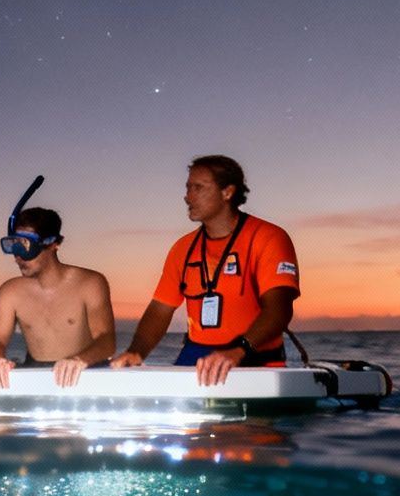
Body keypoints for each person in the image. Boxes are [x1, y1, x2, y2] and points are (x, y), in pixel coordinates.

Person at [113, 155, 300, 385]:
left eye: (198, 188)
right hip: (197, 354)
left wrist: (237, 351)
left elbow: (278, 310)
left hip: (253, 354)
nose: (187, 196)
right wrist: (137, 351)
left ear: (227, 192)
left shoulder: (269, 238)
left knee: (244, 422)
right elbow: (160, 310)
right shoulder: (182, 248)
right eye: (188, 188)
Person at [0, 205, 115, 389]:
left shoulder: (90, 283)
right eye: (15, 247)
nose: (18, 258)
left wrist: (79, 360)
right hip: (35, 370)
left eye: (26, 247)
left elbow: (106, 340)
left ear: (54, 243)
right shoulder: (10, 291)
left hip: (84, 371)